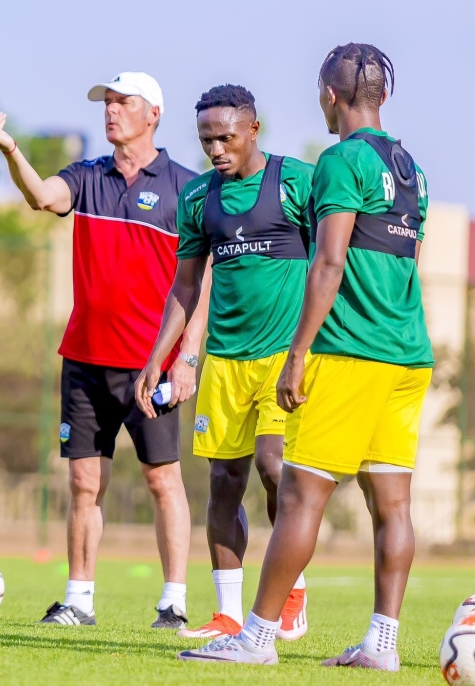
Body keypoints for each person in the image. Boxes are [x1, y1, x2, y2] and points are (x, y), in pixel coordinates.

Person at [179, 43, 430, 670]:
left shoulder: (338, 160)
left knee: (297, 497)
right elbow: (408, 263)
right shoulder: (410, 168)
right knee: (392, 503)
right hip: (408, 354)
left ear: (328, 94)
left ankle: (257, 638)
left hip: (350, 354)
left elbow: (329, 260)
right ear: (384, 96)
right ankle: (383, 645)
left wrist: (298, 355)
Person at [0, 72, 204, 628]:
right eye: (106, 103)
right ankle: (78, 599)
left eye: (122, 102)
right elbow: (40, 197)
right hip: (83, 358)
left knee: (162, 479)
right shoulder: (86, 177)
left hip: (151, 365)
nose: (110, 111)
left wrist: (185, 358)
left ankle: (173, 602)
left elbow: (203, 280)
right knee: (84, 482)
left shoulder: (188, 187)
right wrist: (11, 150)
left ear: (152, 113)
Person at [135, 84, 314, 642]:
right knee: (223, 481)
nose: (216, 148)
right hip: (224, 364)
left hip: (284, 360)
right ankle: (229, 615)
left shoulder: (296, 183)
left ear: (253, 129)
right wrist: (157, 358)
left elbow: (331, 258)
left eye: (226, 137)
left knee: (274, 468)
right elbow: (185, 285)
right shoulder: (198, 199)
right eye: (207, 139)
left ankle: (292, 594)